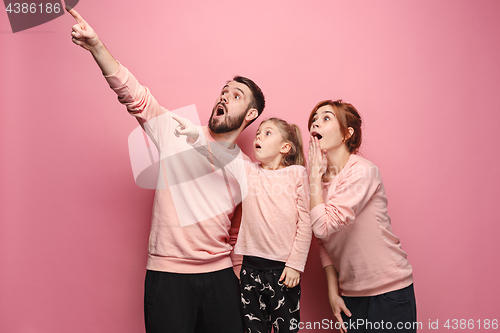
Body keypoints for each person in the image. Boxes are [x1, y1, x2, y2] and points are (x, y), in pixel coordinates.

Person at [67, 8, 265, 333]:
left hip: (220, 280)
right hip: (168, 278)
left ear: (251, 113)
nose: (225, 97)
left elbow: (238, 233)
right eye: (224, 91)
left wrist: (238, 281)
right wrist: (97, 47)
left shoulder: (244, 168)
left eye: (236, 95)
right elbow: (135, 96)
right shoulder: (178, 132)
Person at [174, 115, 312, 333]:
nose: (258, 136)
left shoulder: (297, 174)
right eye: (258, 133)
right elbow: (217, 155)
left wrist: (296, 264)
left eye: (267, 133)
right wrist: (195, 135)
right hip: (250, 270)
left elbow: (305, 221)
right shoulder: (247, 170)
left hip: (283, 272)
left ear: (285, 147)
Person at [307, 100, 416, 333]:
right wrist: (332, 290)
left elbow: (323, 227)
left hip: (389, 293)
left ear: (347, 133)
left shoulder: (362, 171)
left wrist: (313, 179)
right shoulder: (318, 181)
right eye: (314, 118)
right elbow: (324, 240)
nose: (316, 121)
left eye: (326, 117)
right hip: (351, 296)